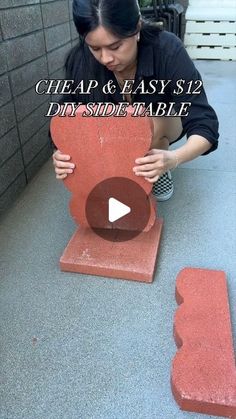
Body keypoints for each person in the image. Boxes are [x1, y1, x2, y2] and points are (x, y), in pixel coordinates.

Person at [52, 0, 219, 201]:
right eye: (95, 48)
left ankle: (157, 163)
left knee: (144, 124)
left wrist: (174, 158)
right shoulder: (80, 60)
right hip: (112, 130)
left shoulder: (167, 49)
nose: (106, 58)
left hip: (163, 122)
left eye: (115, 46)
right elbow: (65, 117)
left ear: (137, 28)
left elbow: (204, 124)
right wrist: (62, 153)